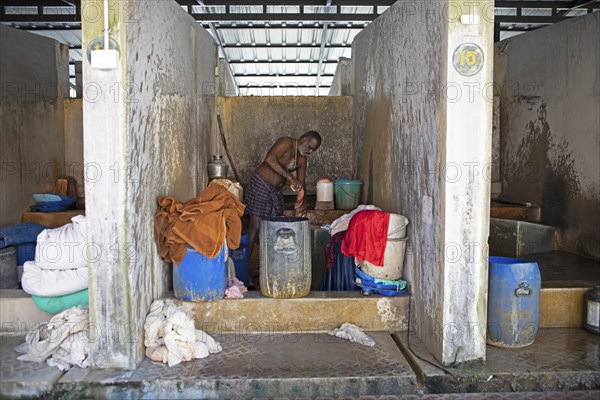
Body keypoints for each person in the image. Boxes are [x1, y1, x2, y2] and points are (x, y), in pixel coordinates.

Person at [244, 130, 322, 286]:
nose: (309, 151)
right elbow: (269, 159)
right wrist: (290, 178)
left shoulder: (302, 160)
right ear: (303, 139)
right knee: (255, 226)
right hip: (261, 183)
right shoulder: (286, 142)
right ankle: (244, 271)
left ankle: (270, 270)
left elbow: (302, 183)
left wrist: (302, 203)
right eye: (309, 146)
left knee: (275, 226)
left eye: (313, 150)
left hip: (274, 191)